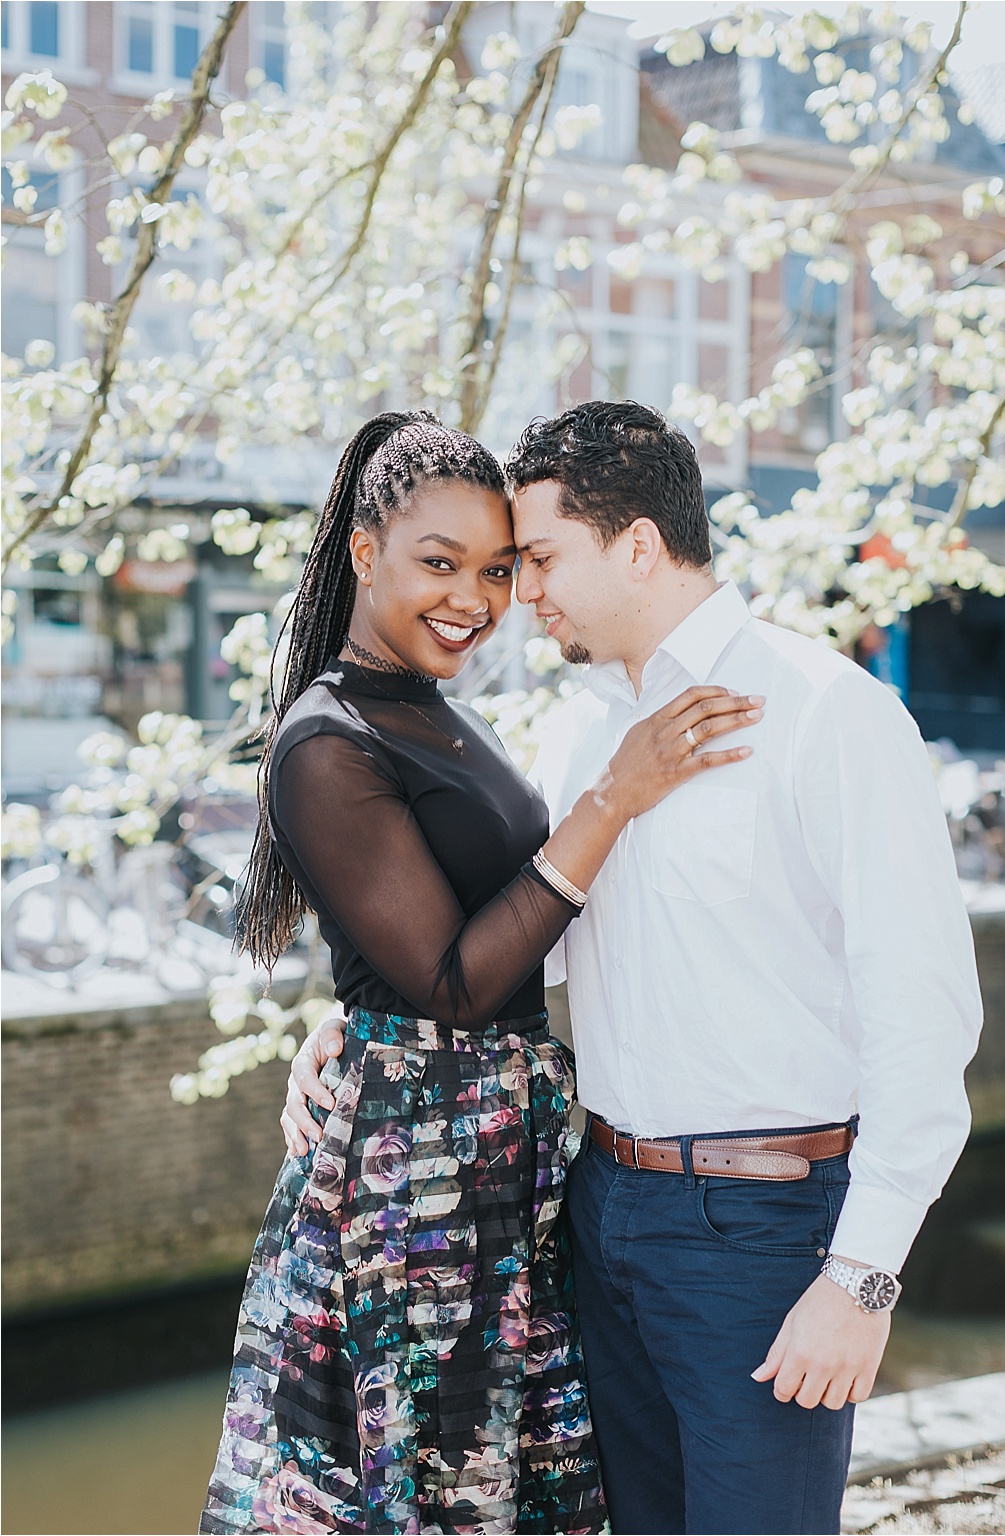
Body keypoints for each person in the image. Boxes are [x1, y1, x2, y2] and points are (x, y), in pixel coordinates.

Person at [285, 401, 983, 1534]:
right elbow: (506, 945)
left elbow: (925, 1013)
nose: (523, 595)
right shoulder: (576, 732)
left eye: (539, 559)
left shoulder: (827, 714)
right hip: (594, 1207)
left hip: (759, 1231)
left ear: (640, 547)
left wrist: (861, 1279)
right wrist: (361, 1024)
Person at [203, 412, 760, 1534]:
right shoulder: (328, 736)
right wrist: (612, 798)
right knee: (432, 1489)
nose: (474, 597)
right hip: (421, 1178)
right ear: (365, 552)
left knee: (509, 1487)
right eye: (440, 564)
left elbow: (442, 930)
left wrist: (346, 1011)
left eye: (501, 569)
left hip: (499, 1158)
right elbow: (450, 986)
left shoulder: (438, 710)